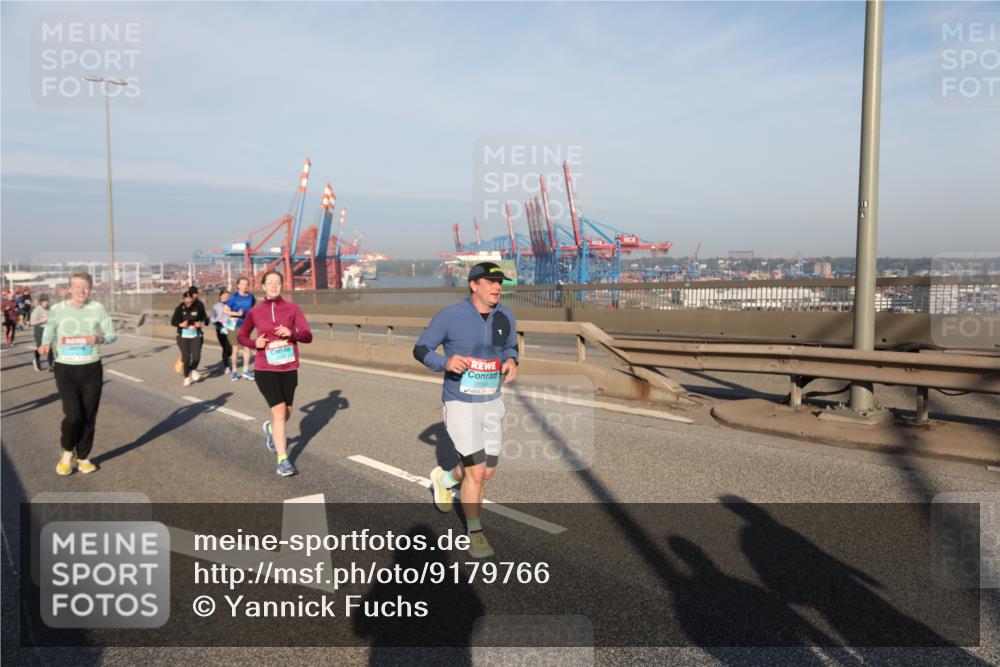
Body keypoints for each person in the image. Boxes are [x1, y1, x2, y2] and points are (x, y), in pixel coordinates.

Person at [413, 261, 519, 559]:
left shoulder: (505, 315)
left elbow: (510, 348)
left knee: (487, 472)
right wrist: (444, 362)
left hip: (492, 401)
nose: (498, 287)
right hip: (460, 402)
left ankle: (444, 479)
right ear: (474, 285)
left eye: (500, 282)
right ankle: (475, 533)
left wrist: (512, 361)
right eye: (490, 281)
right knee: (475, 472)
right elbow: (421, 348)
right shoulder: (450, 316)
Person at [37, 272, 117, 475]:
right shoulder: (57, 309)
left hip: (91, 368)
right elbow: (50, 329)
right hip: (65, 368)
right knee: (74, 415)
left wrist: (98, 338)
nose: (82, 291)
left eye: (86, 287)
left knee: (89, 416)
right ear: (69, 289)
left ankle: (83, 457)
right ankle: (66, 451)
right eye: (77, 287)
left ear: (90, 289)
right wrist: (45, 344)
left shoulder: (97, 308)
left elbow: (111, 334)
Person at [237, 270, 312, 477]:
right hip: (264, 367)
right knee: (279, 413)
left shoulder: (293, 308)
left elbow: (307, 336)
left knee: (286, 413)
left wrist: (292, 334)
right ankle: (283, 460)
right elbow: (241, 336)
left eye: (277, 282)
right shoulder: (255, 311)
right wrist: (255, 343)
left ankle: (270, 429)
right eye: (269, 282)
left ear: (282, 285)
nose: (273, 286)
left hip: (288, 367)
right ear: (263, 286)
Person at [171, 289, 209, 386]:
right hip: (182, 336)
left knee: (196, 357)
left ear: (193, 299)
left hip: (195, 334)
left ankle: (193, 369)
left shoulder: (198, 306)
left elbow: (205, 318)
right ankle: (186, 377)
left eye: (190, 301)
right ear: (183, 299)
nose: (188, 303)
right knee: (187, 356)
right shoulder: (180, 308)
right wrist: (181, 324)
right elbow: (173, 322)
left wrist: (201, 322)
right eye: (186, 301)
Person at [224, 277, 256, 381]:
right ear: (238, 285)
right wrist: (237, 314)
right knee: (236, 349)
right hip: (234, 325)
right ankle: (234, 371)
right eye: (242, 284)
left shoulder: (251, 297)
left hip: (246, 325)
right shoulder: (234, 297)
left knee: (247, 348)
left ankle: (246, 370)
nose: (245, 286)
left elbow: (253, 309)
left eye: (246, 284)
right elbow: (225, 311)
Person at [208, 288, 235, 374]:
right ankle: (227, 366)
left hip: (230, 328)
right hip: (221, 329)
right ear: (220, 296)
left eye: (228, 295)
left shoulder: (232, 305)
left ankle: (227, 357)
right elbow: (211, 317)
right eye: (225, 295)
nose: (227, 296)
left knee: (230, 349)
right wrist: (216, 323)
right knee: (225, 347)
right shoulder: (216, 306)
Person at [30, 294, 54, 371]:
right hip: (39, 329)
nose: (46, 303)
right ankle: (36, 360)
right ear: (40, 302)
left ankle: (50, 365)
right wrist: (42, 320)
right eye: (44, 301)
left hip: (48, 329)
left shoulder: (50, 308)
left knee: (49, 347)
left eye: (46, 301)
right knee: (41, 348)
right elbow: (32, 323)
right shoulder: (37, 310)